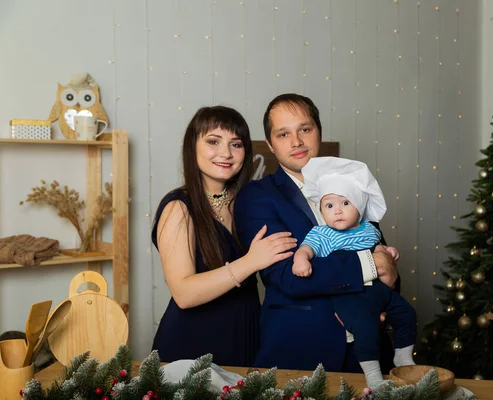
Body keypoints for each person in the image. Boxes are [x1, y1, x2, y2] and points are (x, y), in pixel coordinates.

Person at [234, 93, 404, 373]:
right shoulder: (257, 197)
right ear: (270, 145)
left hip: (368, 352)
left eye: (304, 129)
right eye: (283, 134)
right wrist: (372, 265)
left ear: (318, 131)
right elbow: (288, 277)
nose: (296, 141)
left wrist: (382, 300)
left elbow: (381, 255)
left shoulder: (352, 183)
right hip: (300, 352)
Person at [151, 106, 297, 366]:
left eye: (236, 144)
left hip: (248, 334)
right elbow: (183, 293)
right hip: (192, 343)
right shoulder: (179, 207)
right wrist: (250, 262)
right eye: (213, 141)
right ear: (192, 147)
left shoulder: (250, 202)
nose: (226, 153)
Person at [292, 156, 417, 388]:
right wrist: (301, 259)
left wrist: (387, 250)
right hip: (349, 294)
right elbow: (307, 249)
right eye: (329, 206)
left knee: (406, 313)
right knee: (366, 329)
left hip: (377, 289)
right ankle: (373, 376)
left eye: (345, 204)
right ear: (321, 209)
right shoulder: (322, 234)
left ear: (359, 207)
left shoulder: (369, 229)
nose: (337, 211)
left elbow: (377, 248)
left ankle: (403, 356)